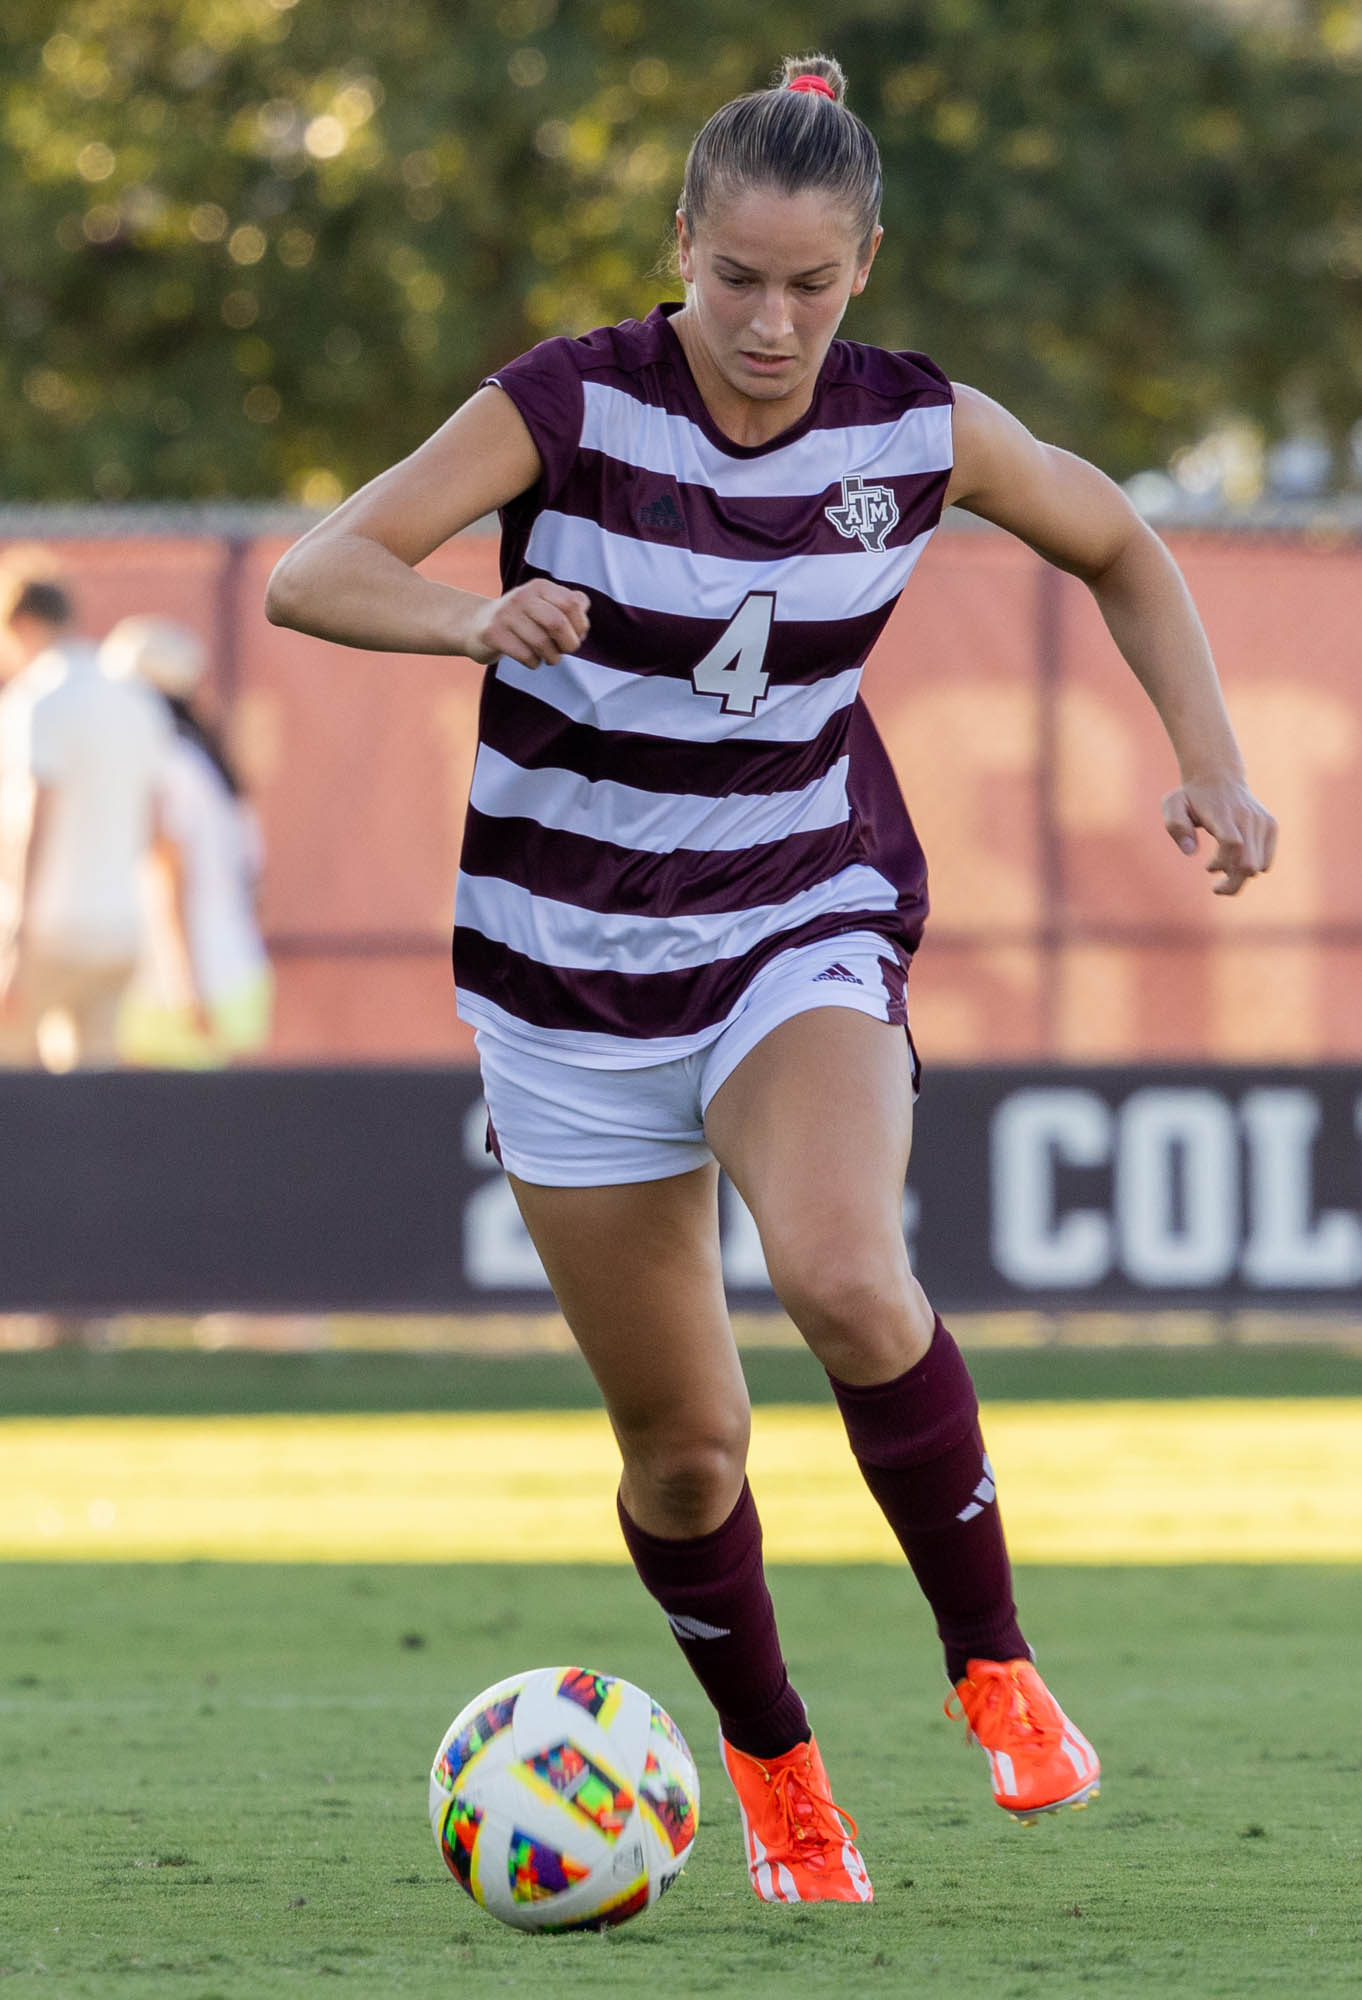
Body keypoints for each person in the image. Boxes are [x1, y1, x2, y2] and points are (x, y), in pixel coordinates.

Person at [266, 54, 1276, 1904]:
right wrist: (463, 615)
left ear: (863, 268)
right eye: (734, 278)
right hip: (560, 978)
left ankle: (994, 1672)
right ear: (679, 248)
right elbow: (316, 570)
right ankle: (774, 1771)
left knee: (839, 1271)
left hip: (786, 919)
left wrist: (1207, 756)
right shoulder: (563, 402)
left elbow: (1117, 537)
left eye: (809, 286)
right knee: (680, 1453)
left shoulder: (917, 433)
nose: (767, 320)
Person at [0, 554, 173, 1069]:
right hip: (120, 929)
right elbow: (155, 829)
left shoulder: (37, 698)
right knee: (93, 1105)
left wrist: (17, 939)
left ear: (23, 625)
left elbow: (36, 821)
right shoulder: (138, 699)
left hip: (51, 930)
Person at [98, 617, 273, 1068]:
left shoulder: (163, 765)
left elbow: (167, 873)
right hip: (237, 976)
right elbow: (252, 879)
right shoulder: (209, 764)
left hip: (175, 997)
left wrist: (185, 989)